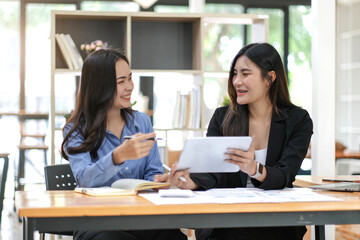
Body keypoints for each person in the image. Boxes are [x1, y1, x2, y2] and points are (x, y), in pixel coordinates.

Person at [169, 43, 313, 240]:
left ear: (270, 77)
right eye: (235, 74)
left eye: (245, 74)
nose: (237, 81)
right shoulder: (222, 117)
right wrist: (190, 182)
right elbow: (214, 172)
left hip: (274, 223)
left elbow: (285, 175)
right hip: (226, 222)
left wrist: (254, 168)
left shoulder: (298, 120)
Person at [61, 49, 187, 240]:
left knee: (174, 237)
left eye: (130, 78)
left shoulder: (142, 122)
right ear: (99, 86)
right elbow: (85, 179)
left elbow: (151, 174)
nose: (130, 86)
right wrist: (117, 156)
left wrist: (162, 181)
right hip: (96, 221)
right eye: (121, 82)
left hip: (140, 218)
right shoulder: (76, 130)